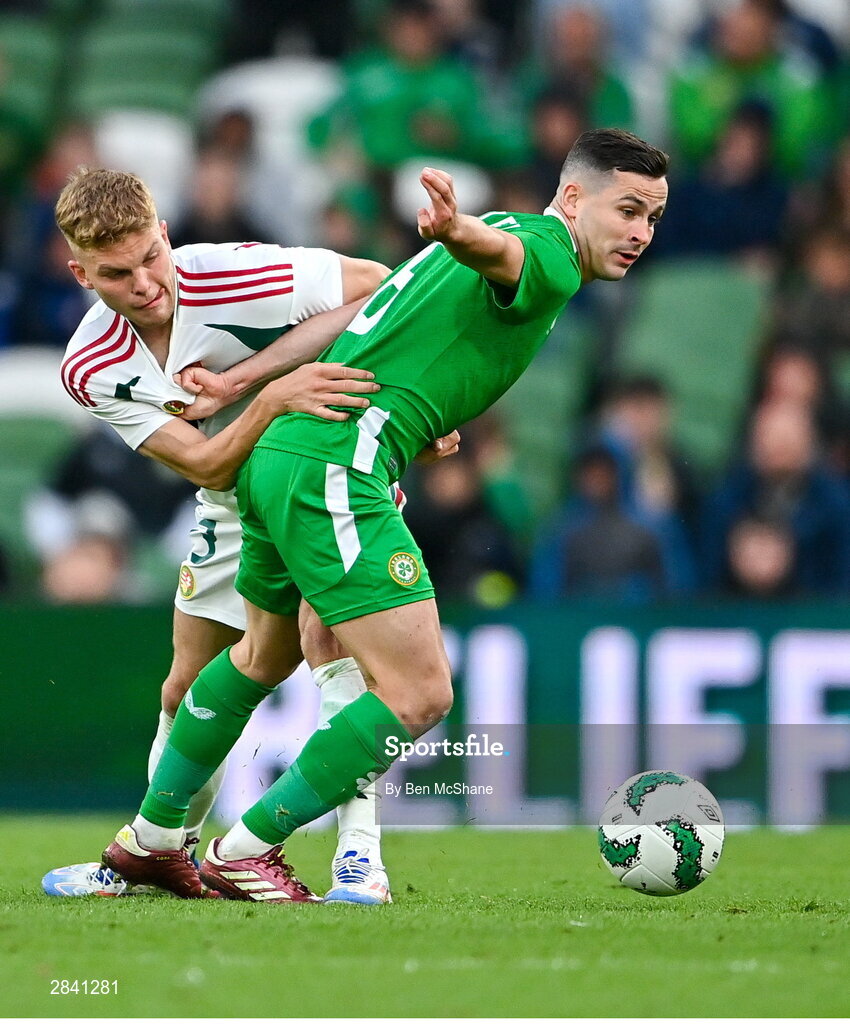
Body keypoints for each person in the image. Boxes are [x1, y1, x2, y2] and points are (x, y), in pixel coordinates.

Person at [102, 128, 669, 901]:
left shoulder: (504, 226)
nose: (639, 233)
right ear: (573, 198)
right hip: (338, 462)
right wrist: (457, 231)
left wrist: (242, 385)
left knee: (260, 657)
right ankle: (245, 849)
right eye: (628, 210)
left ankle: (152, 839)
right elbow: (503, 261)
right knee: (420, 692)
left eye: (653, 219)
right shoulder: (546, 254)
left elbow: (362, 313)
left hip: (279, 455)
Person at [41, 167, 402, 904]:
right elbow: (206, 461)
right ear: (80, 272)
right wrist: (270, 396)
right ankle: (157, 849)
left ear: (165, 233)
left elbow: (381, 285)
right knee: (185, 683)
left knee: (331, 646)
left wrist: (383, 407)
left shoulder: (234, 273)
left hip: (325, 472)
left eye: (151, 256)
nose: (145, 282)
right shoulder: (91, 366)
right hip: (231, 494)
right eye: (117, 273)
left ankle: (359, 860)